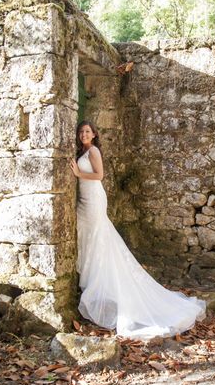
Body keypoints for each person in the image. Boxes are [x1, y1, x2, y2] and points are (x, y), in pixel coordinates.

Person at [69, 120, 206, 341]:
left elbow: (99, 175)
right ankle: (92, 279)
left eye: (87, 131)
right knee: (89, 236)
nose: (83, 134)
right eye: (81, 131)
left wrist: (78, 174)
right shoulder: (82, 150)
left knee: (97, 237)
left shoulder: (93, 151)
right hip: (84, 200)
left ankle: (98, 284)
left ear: (94, 134)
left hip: (94, 198)